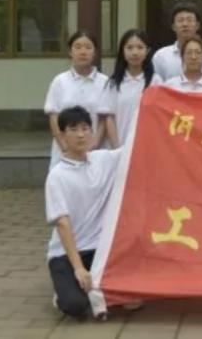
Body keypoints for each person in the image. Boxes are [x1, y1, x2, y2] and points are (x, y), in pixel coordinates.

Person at [45, 106, 124, 320]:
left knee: (132, 300)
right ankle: (67, 292)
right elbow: (63, 224)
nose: (81, 135)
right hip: (66, 253)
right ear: (62, 135)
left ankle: (94, 289)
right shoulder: (57, 176)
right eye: (73, 129)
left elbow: (137, 146)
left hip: (99, 249)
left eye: (85, 128)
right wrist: (78, 268)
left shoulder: (104, 160)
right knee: (75, 306)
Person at [43, 31, 110, 169]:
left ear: (95, 52)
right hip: (65, 152)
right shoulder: (59, 81)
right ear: (70, 51)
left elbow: (104, 117)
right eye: (78, 47)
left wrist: (94, 144)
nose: (83, 52)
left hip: (94, 152)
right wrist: (65, 146)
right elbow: (53, 116)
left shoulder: (105, 82)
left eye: (88, 47)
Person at [98, 29, 163, 148]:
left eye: (140, 47)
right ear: (122, 51)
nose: (135, 52)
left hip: (146, 147)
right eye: (129, 48)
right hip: (119, 146)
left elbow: (159, 117)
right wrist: (117, 148)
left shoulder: (156, 81)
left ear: (147, 51)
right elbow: (109, 117)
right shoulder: (113, 83)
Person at [152, 2, 202, 83]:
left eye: (189, 20)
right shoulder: (161, 56)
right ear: (173, 27)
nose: (185, 24)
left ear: (197, 25)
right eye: (180, 20)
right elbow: (156, 87)